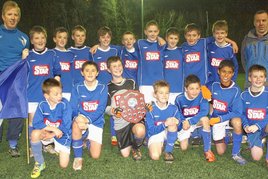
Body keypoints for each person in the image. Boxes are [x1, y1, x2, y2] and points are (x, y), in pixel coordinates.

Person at [0, 0, 30, 157]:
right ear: (3, 16)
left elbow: (25, 62)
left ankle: (13, 144)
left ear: (19, 17)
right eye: (9, 14)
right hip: (0, 78)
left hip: (15, 80)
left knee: (17, 110)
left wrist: (25, 58)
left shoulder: (24, 38)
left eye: (16, 15)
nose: (13, 17)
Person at [26, 25, 61, 155]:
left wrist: (56, 87)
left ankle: (47, 144)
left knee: (48, 121)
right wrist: (23, 58)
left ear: (46, 39)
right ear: (32, 41)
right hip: (32, 95)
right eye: (36, 38)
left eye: (42, 38)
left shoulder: (52, 54)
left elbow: (57, 71)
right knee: (33, 121)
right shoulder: (28, 55)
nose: (40, 40)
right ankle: (33, 146)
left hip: (48, 96)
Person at [105, 56, 145, 160]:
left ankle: (136, 147)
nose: (118, 68)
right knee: (125, 154)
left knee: (140, 130)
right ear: (109, 70)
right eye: (114, 66)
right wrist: (113, 111)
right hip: (120, 123)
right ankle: (132, 140)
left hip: (134, 118)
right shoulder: (107, 87)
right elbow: (106, 108)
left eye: (119, 65)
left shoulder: (131, 82)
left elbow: (139, 101)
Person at [30, 78, 72, 178]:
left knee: (64, 165)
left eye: (61, 93)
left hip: (62, 134)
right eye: (56, 94)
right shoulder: (42, 104)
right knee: (34, 133)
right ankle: (39, 162)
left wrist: (53, 134)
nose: (60, 96)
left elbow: (66, 124)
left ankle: (56, 147)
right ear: (46, 96)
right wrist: (52, 129)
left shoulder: (65, 104)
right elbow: (36, 123)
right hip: (48, 133)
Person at [70, 61, 108, 171]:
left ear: (97, 73)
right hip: (81, 119)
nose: (90, 73)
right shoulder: (77, 87)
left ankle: (86, 140)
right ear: (82, 73)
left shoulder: (102, 87)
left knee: (95, 155)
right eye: (87, 70)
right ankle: (78, 157)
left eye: (93, 70)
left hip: (95, 121)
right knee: (76, 124)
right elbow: (73, 107)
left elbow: (101, 109)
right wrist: (78, 118)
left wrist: (88, 120)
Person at [208, 60, 247, 165]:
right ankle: (228, 136)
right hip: (217, 119)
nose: (226, 75)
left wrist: (220, 119)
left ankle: (236, 153)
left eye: (229, 72)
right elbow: (209, 100)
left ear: (233, 74)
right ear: (218, 72)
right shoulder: (213, 85)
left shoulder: (236, 90)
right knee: (220, 152)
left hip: (229, 118)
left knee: (237, 122)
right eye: (223, 71)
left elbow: (237, 112)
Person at [175, 75, 215, 162]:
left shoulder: (202, 96)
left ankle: (207, 150)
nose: (195, 91)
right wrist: (183, 122)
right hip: (185, 123)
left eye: (197, 88)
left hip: (196, 121)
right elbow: (177, 113)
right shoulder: (179, 98)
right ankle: (194, 135)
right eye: (191, 88)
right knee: (184, 148)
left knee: (205, 119)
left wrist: (191, 121)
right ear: (186, 89)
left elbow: (204, 111)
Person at [92, 26, 119, 146]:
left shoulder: (116, 50)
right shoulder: (93, 51)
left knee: (114, 109)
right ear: (99, 38)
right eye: (103, 37)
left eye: (108, 37)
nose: (105, 39)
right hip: (99, 86)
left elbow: (130, 45)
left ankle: (114, 134)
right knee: (97, 110)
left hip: (112, 85)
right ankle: (94, 135)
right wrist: (95, 46)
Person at [146, 80, 180, 163]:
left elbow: (179, 127)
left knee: (172, 122)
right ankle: (160, 144)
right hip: (155, 134)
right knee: (155, 156)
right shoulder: (150, 109)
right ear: (155, 94)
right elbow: (150, 130)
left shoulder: (174, 108)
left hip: (168, 133)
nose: (164, 95)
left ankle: (168, 151)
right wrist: (165, 124)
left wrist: (177, 122)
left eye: (167, 93)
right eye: (161, 93)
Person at [241, 64, 268, 164]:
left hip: (264, 125)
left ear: (265, 78)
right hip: (252, 129)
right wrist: (246, 125)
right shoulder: (244, 95)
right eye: (255, 76)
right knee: (256, 157)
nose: (258, 79)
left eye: (261, 76)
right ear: (249, 78)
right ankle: (260, 139)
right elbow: (242, 114)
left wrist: (258, 125)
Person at [137, 20, 165, 104]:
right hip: (145, 82)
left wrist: (161, 39)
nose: (153, 33)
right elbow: (126, 46)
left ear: (158, 32)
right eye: (150, 31)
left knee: (159, 106)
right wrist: (98, 45)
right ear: (145, 32)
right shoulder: (140, 43)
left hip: (159, 82)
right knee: (145, 107)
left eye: (155, 31)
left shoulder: (162, 44)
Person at [241, 10, 268, 88]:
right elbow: (244, 60)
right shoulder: (247, 39)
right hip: (250, 85)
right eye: (258, 21)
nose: (261, 23)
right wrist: (252, 76)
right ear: (254, 23)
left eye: (264, 20)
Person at [53, 27, 76, 101]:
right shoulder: (51, 53)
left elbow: (73, 73)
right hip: (55, 90)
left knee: (69, 112)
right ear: (54, 39)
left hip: (69, 90)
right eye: (60, 37)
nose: (62, 40)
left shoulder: (71, 54)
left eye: (65, 38)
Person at [163, 27, 184, 104]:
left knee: (179, 112)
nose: (173, 40)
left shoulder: (182, 51)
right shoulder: (163, 51)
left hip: (179, 88)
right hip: (166, 89)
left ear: (178, 40)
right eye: (171, 38)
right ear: (166, 38)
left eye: (175, 38)